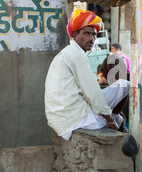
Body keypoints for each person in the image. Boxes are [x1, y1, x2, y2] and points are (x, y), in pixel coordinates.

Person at [45, 9, 129, 141]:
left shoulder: (69, 53)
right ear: (75, 34)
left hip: (63, 120)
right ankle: (116, 121)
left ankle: (116, 119)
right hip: (75, 119)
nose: (91, 38)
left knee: (117, 116)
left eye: (94, 35)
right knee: (125, 84)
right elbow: (93, 93)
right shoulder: (76, 54)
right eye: (86, 33)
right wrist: (109, 120)